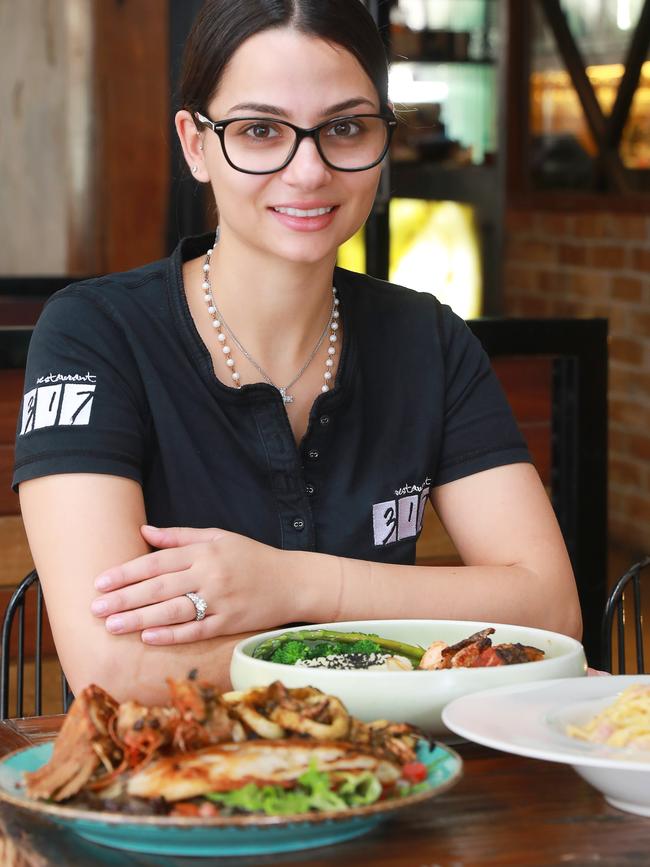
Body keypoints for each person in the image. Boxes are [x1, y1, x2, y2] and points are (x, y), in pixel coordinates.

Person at [14, 0, 581, 704]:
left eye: (344, 128)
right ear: (195, 143)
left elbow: (550, 608)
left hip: (400, 774)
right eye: (259, 130)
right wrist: (408, 638)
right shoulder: (95, 334)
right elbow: (115, 667)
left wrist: (294, 582)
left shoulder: (427, 339)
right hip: (170, 790)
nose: (308, 170)